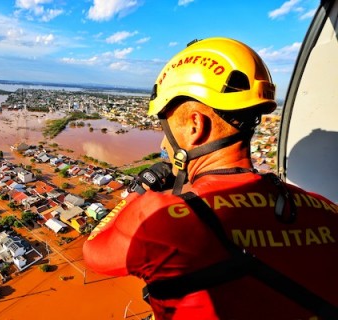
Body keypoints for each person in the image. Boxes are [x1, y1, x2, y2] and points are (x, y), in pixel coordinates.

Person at [82, 37, 338, 320]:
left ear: (195, 125)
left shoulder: (157, 219)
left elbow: (93, 250)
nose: (164, 144)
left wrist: (141, 188)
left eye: (165, 128)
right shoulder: (325, 209)